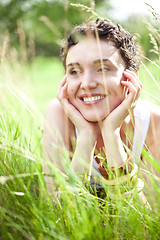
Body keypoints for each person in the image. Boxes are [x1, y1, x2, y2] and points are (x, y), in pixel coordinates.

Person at [43, 18, 160, 206]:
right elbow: (54, 213)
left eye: (103, 69)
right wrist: (85, 139)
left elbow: (145, 224)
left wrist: (111, 135)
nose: (87, 83)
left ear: (132, 78)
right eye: (74, 71)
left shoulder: (154, 125)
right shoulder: (59, 114)